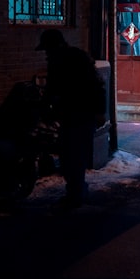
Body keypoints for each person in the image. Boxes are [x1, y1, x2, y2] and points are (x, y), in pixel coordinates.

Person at [35, 29, 105, 209]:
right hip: (79, 113)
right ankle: (77, 190)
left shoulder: (62, 61)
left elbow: (54, 89)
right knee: (73, 155)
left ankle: (76, 194)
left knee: (72, 155)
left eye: (47, 49)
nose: (46, 54)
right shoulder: (77, 57)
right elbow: (97, 84)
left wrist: (45, 107)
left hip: (78, 114)